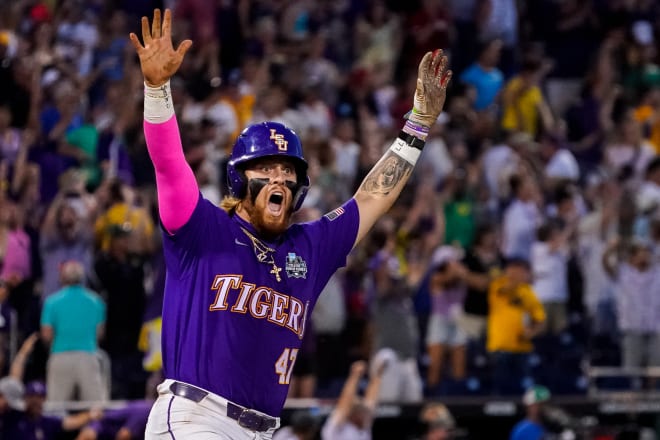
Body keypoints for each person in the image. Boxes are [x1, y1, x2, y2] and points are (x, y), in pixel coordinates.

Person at [129, 8, 451, 439]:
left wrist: (418, 126)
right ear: (240, 179)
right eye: (268, 168)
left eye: (289, 171)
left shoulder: (310, 247)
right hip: (195, 418)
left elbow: (373, 196)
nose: (280, 177)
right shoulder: (200, 228)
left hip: (264, 430)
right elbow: (168, 164)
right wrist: (156, 88)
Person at [40, 260, 107, 402]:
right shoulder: (96, 301)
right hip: (88, 356)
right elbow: (100, 333)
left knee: (55, 408)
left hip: (60, 356)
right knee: (95, 406)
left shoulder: (51, 302)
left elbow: (46, 334)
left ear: (62, 277)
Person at [320, 360, 385, 440]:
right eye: (361, 412)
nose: (366, 415)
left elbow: (371, 401)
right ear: (353, 414)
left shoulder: (363, 426)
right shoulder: (336, 426)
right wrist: (355, 375)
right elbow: (345, 400)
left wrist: (378, 375)